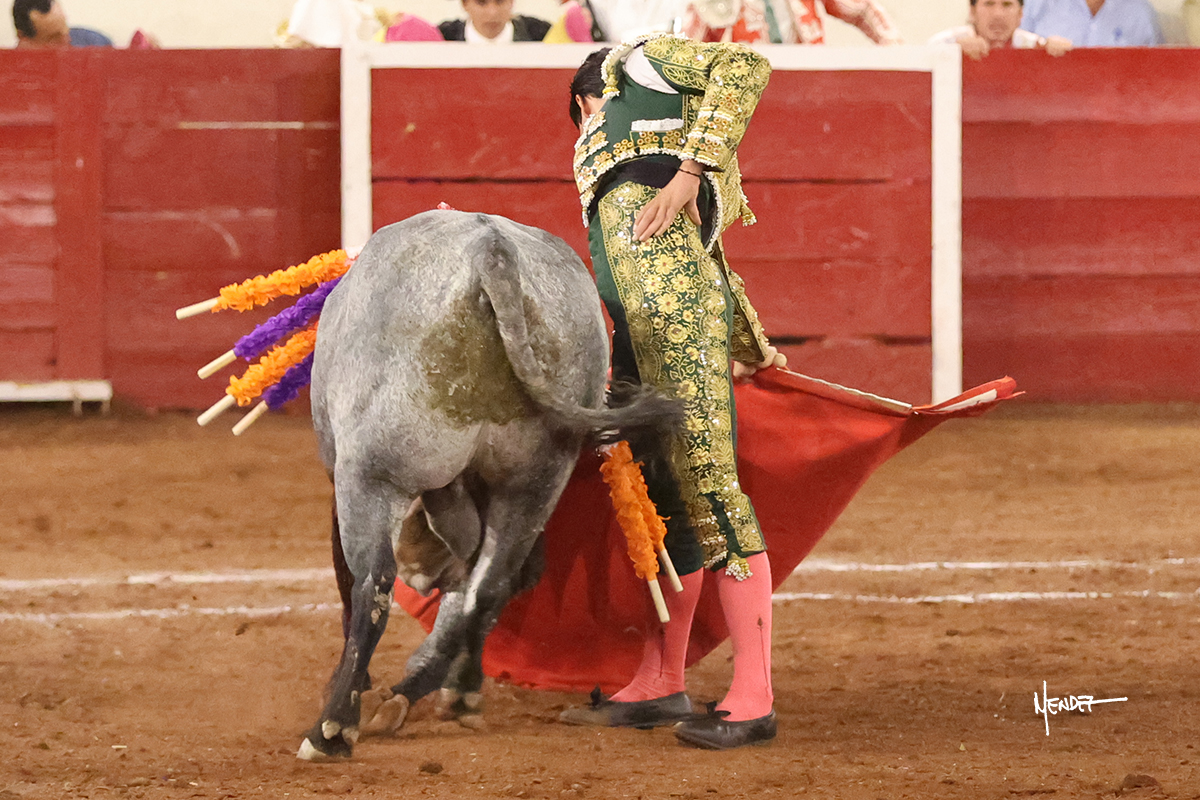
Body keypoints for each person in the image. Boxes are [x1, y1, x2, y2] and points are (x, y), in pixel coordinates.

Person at [560, 35, 786, 750]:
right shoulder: (602, 157)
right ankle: (663, 679)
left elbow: (746, 64)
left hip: (677, 323)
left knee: (712, 491)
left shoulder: (636, 62)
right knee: (665, 503)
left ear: (586, 100)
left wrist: (690, 173)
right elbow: (680, 259)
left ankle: (755, 697)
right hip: (638, 329)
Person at [683, 0, 901, 45]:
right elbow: (687, 52)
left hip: (811, 86)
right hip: (744, 98)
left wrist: (895, 51)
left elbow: (862, 9)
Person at [929, 0, 1072, 58]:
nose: (998, 14)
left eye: (1007, 5)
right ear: (972, 12)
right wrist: (952, 53)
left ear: (1020, 14)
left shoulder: (1036, 46)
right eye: (989, 4)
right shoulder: (946, 43)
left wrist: (1063, 55)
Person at [1020, 0, 1163, 46]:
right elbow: (1014, 51)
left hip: (1117, 104)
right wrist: (1041, 45)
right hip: (1046, 102)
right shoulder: (1037, 4)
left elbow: (1155, 73)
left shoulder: (1140, 11)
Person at [438, 0, 551, 42]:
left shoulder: (542, 36)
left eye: (500, 1)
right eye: (481, 3)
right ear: (465, 4)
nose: (492, 12)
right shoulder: (444, 38)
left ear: (512, 2)